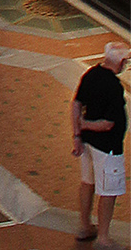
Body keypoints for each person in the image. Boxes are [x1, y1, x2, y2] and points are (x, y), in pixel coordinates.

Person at [75, 41, 128, 250]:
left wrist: (77, 134)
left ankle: (85, 226)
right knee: (108, 191)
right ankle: (103, 238)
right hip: (107, 148)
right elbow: (108, 124)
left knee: (88, 183)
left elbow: (76, 104)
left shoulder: (90, 74)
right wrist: (86, 124)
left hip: (87, 144)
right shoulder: (114, 87)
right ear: (121, 62)